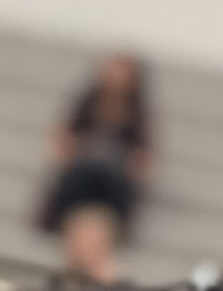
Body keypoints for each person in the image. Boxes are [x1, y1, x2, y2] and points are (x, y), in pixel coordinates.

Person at [36, 52, 153, 240]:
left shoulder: (138, 113)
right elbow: (64, 135)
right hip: (82, 166)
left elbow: (142, 156)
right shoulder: (87, 101)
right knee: (78, 176)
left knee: (112, 181)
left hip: (115, 174)